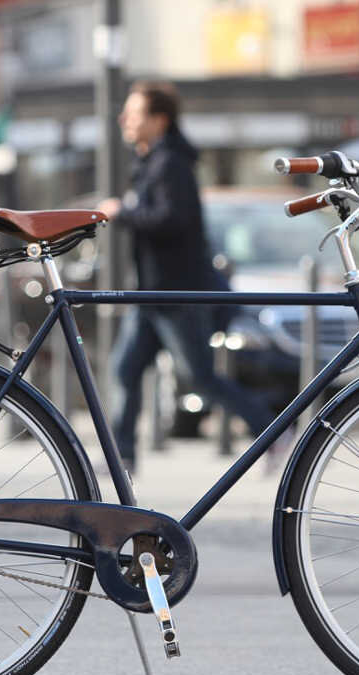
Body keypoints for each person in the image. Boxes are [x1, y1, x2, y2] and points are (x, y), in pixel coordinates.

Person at [97, 81, 276, 474]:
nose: (124, 119)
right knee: (124, 370)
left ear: (159, 121)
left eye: (135, 113)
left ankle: (272, 430)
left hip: (174, 294)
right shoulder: (151, 160)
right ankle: (121, 457)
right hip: (150, 294)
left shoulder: (170, 164)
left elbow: (172, 219)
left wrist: (122, 212)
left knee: (199, 378)